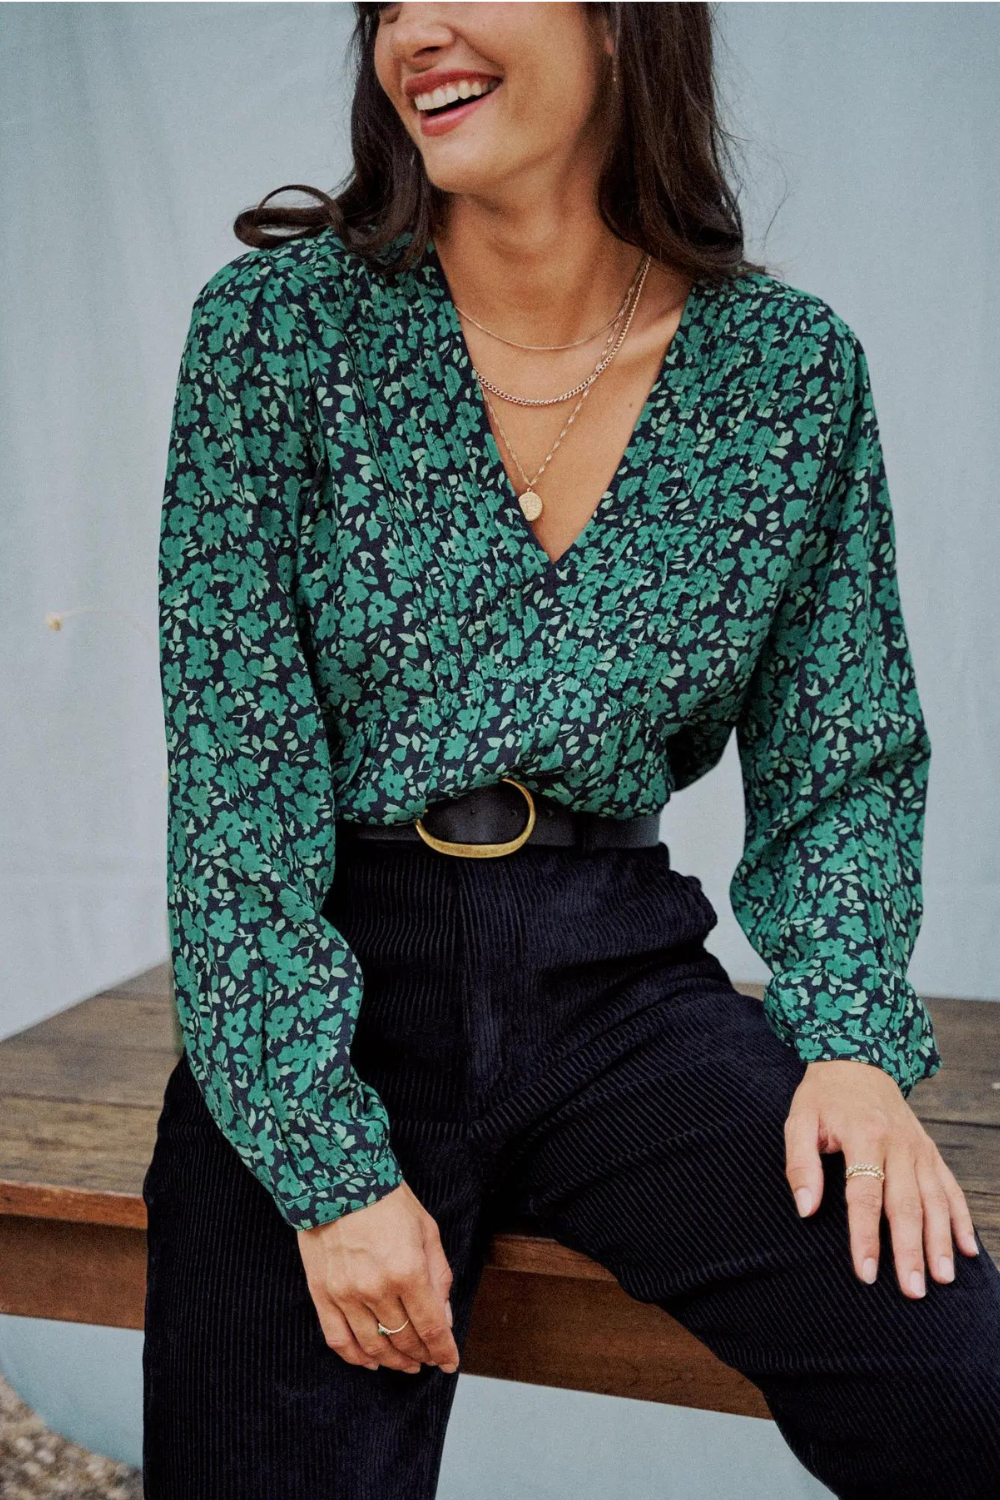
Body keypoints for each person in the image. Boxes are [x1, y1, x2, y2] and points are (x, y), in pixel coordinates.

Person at [141, 4, 1000, 1497]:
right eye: (389, 5)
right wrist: (330, 1170)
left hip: (617, 989)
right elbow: (234, 786)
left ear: (620, 24)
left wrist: (852, 1041)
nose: (417, 30)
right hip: (333, 983)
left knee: (966, 1394)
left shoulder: (785, 372)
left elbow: (842, 752)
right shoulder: (277, 334)